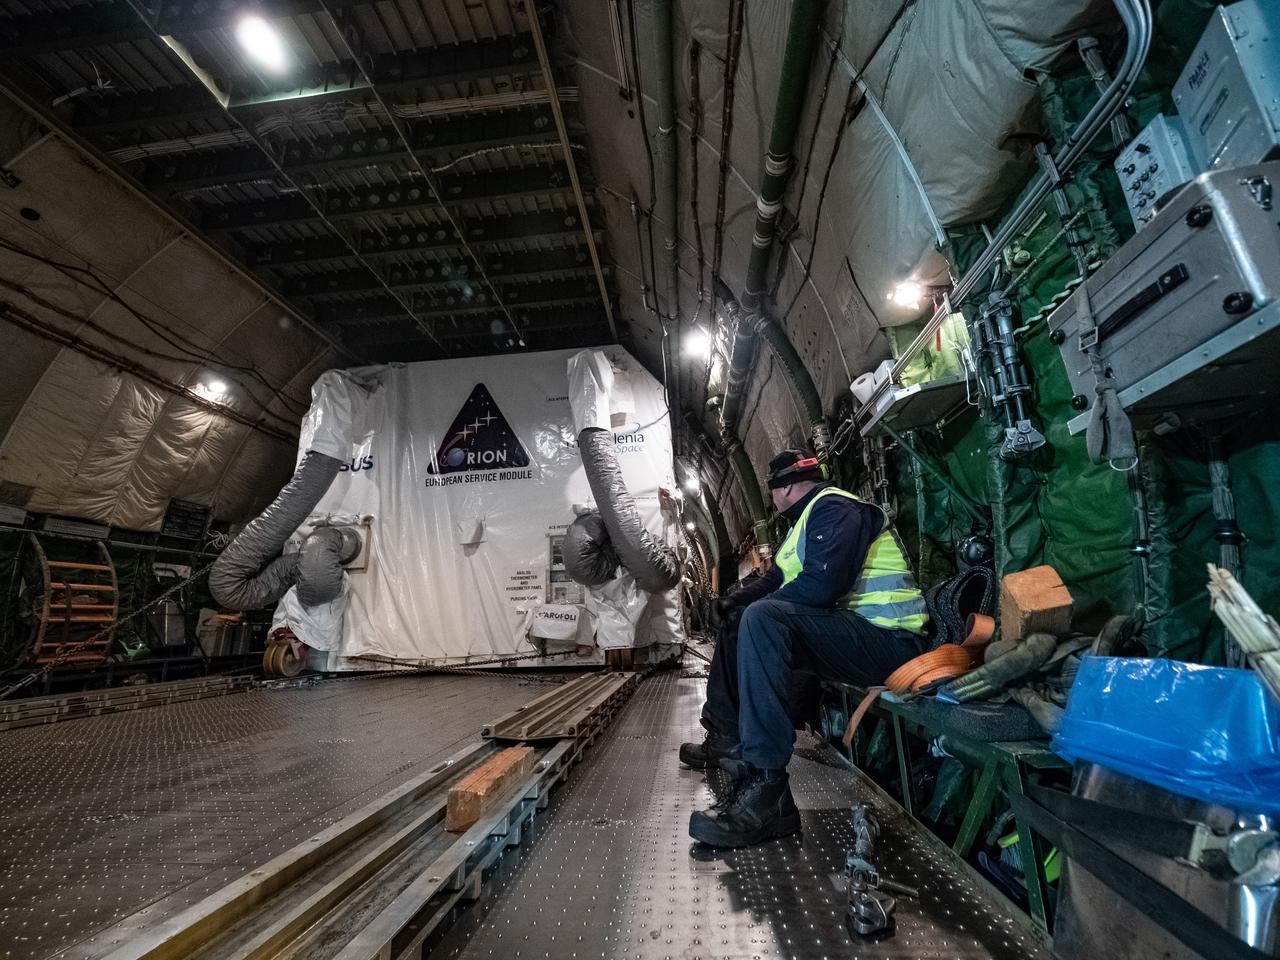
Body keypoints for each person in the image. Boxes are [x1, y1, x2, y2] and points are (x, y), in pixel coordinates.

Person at [683, 449, 929, 848]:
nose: (772, 499)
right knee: (741, 621)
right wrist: (732, 602)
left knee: (763, 618)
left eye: (772, 491)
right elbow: (776, 581)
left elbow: (822, 586)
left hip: (891, 642)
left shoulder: (835, 509)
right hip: (853, 635)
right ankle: (725, 736)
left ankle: (769, 788)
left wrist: (757, 609)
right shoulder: (804, 523)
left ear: (784, 489)